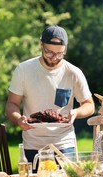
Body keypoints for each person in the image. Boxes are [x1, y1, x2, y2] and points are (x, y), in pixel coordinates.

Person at [6, 25, 95, 161]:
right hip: (33, 142)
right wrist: (19, 119)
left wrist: (76, 112)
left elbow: (89, 105)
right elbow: (12, 104)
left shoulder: (73, 72)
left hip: (64, 142)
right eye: (49, 52)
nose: (54, 58)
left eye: (60, 54)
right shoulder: (24, 70)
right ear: (41, 45)